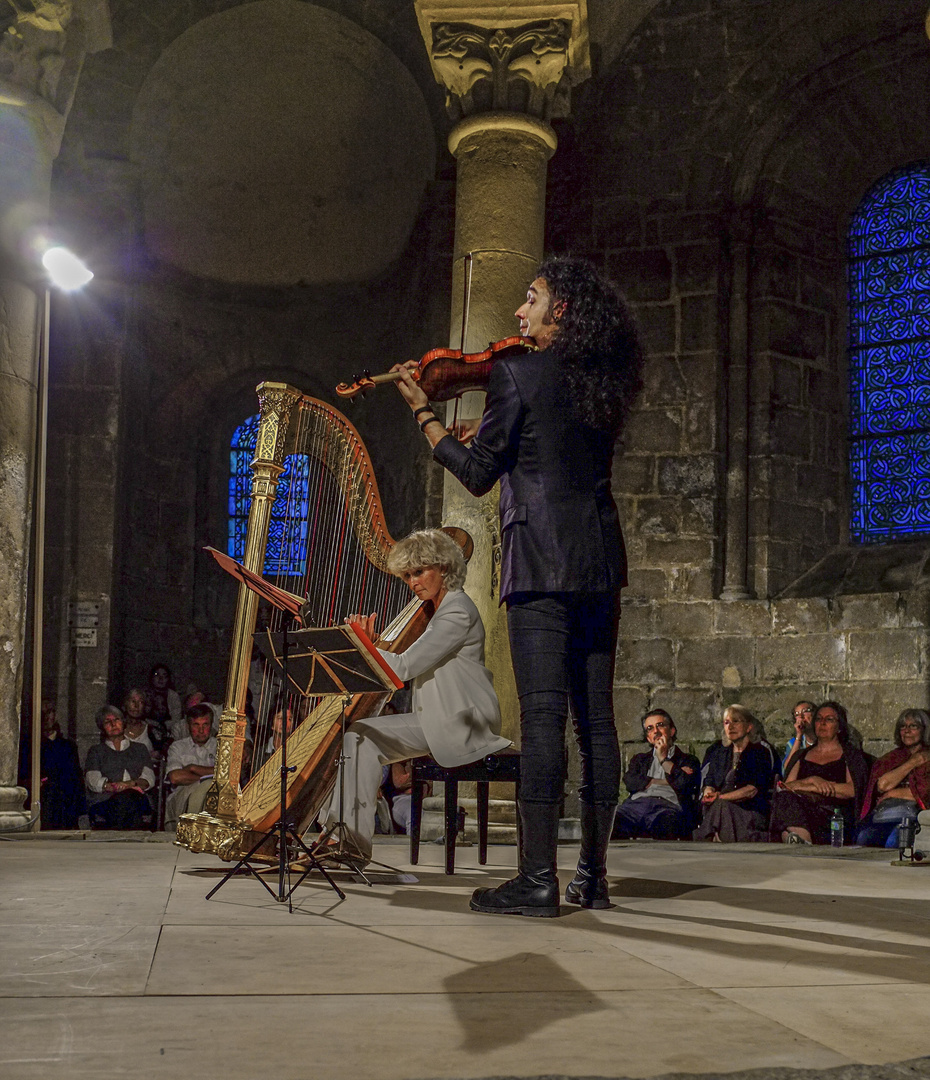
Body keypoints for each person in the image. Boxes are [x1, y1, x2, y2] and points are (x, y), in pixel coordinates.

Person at [391, 257, 644, 915]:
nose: (517, 311)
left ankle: (536, 880)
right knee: (595, 721)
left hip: (539, 560)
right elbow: (549, 449)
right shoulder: (606, 380)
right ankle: (592, 876)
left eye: (530, 298)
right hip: (597, 556)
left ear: (560, 310)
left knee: (540, 718)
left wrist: (426, 416)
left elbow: (477, 474)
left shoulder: (517, 372)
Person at [315, 529, 510, 865]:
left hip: (464, 721)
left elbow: (404, 667)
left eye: (420, 572)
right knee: (360, 738)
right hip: (439, 718)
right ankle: (344, 838)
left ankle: (347, 840)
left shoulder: (457, 611)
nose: (413, 582)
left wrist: (362, 645)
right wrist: (371, 646)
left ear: (445, 566)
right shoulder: (440, 610)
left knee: (360, 737)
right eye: (407, 576)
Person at [769, 701, 869, 845]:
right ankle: (799, 840)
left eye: (829, 719)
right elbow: (785, 787)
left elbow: (852, 790)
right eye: (818, 719)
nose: (822, 723)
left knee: (791, 819)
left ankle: (798, 841)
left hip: (833, 816)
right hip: (800, 809)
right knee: (786, 800)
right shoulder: (801, 755)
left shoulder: (850, 756)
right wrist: (811, 781)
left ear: (839, 727)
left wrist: (815, 788)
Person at [693, 705, 778, 842]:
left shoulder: (760, 753)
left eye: (736, 721)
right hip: (720, 809)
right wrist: (709, 792)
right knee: (719, 807)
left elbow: (751, 790)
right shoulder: (720, 753)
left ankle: (704, 837)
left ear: (749, 727)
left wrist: (720, 797)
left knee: (722, 806)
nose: (730, 726)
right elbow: (709, 781)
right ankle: (714, 837)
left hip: (749, 810)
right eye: (727, 722)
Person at [614, 710, 700, 840]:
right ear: (648, 738)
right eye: (650, 728)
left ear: (671, 731)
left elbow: (685, 784)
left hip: (667, 807)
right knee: (610, 824)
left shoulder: (688, 760)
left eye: (660, 725)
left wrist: (663, 759)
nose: (656, 731)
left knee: (667, 827)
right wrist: (668, 778)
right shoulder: (640, 759)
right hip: (635, 806)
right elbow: (630, 782)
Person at [856, 709, 930, 848]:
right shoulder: (891, 758)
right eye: (903, 726)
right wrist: (913, 762)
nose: (907, 730)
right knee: (863, 838)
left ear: (924, 730)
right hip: (885, 815)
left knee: (894, 840)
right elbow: (882, 785)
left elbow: (925, 793)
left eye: (913, 726)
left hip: (913, 816)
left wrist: (891, 793)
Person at [85, 706, 155, 830]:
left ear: (123, 723)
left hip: (137, 798)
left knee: (129, 799)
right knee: (125, 802)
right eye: (107, 722)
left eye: (116, 720)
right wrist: (113, 787)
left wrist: (129, 784)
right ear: (102, 727)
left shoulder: (140, 749)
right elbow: (93, 780)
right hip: (106, 800)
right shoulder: (96, 751)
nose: (113, 724)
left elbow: (148, 779)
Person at [164, 704, 217, 831]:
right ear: (188, 726)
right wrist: (211, 776)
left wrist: (192, 768)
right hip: (182, 796)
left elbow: (228, 775)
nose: (201, 730)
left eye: (205, 724)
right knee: (205, 788)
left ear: (211, 725)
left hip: (214, 798)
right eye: (196, 725)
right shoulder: (178, 747)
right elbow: (175, 777)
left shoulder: (220, 746)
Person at [37, 698, 85, 829]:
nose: (46, 717)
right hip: (42, 797)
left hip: (64, 799)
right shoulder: (29, 746)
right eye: (42, 713)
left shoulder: (68, 746)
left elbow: (75, 777)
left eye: (49, 712)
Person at [782, 700, 816, 771]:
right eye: (797, 714)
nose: (801, 716)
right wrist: (799, 735)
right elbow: (787, 769)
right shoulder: (792, 743)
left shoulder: (826, 739)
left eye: (805, 711)